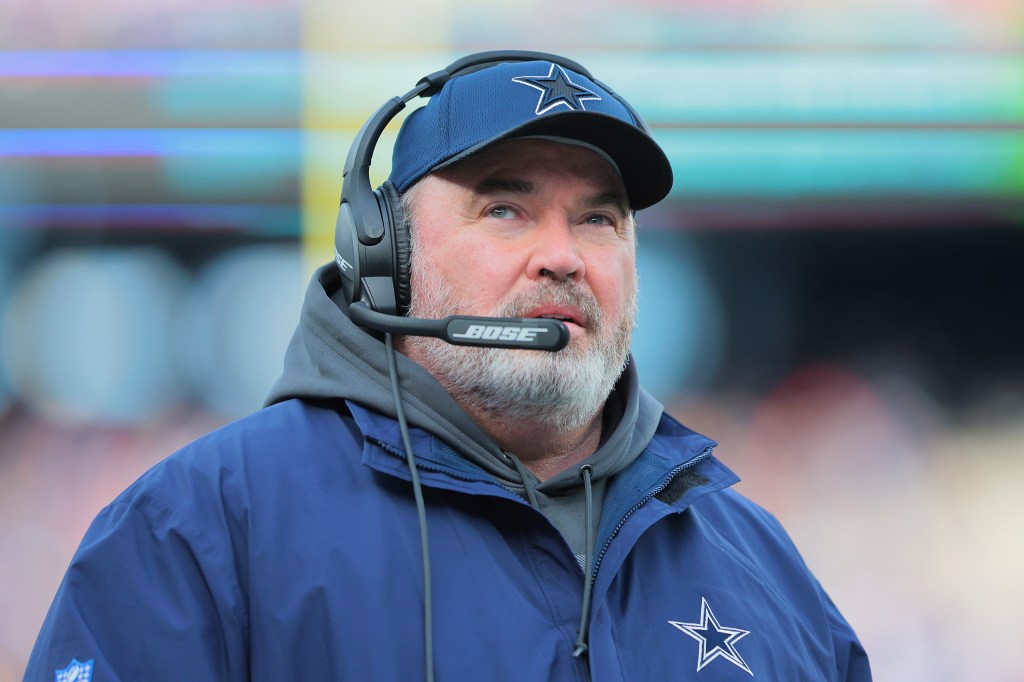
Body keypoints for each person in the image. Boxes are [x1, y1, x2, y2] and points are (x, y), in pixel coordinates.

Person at [25, 52, 871, 681]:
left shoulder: (759, 563)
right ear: (386, 255)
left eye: (599, 220)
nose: (562, 257)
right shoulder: (198, 534)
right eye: (505, 208)